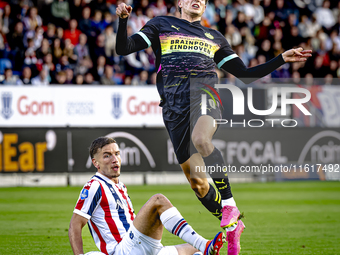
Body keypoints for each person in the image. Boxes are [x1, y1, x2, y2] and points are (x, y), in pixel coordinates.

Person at [115, 1, 312, 254]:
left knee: (201, 138)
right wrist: (122, 21)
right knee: (198, 183)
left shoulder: (214, 37)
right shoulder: (161, 25)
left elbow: (246, 74)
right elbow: (124, 48)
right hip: (174, 108)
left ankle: (230, 205)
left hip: (204, 94)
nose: (198, 0)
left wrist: (280, 59)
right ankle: (233, 226)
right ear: (180, 3)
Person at [68, 137, 226, 255]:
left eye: (117, 153)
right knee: (158, 201)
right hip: (124, 249)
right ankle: (204, 244)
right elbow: (75, 224)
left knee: (196, 249)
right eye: (107, 155)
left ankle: (203, 246)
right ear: (96, 163)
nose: (115, 159)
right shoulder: (95, 185)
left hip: (142, 247)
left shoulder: (120, 186)